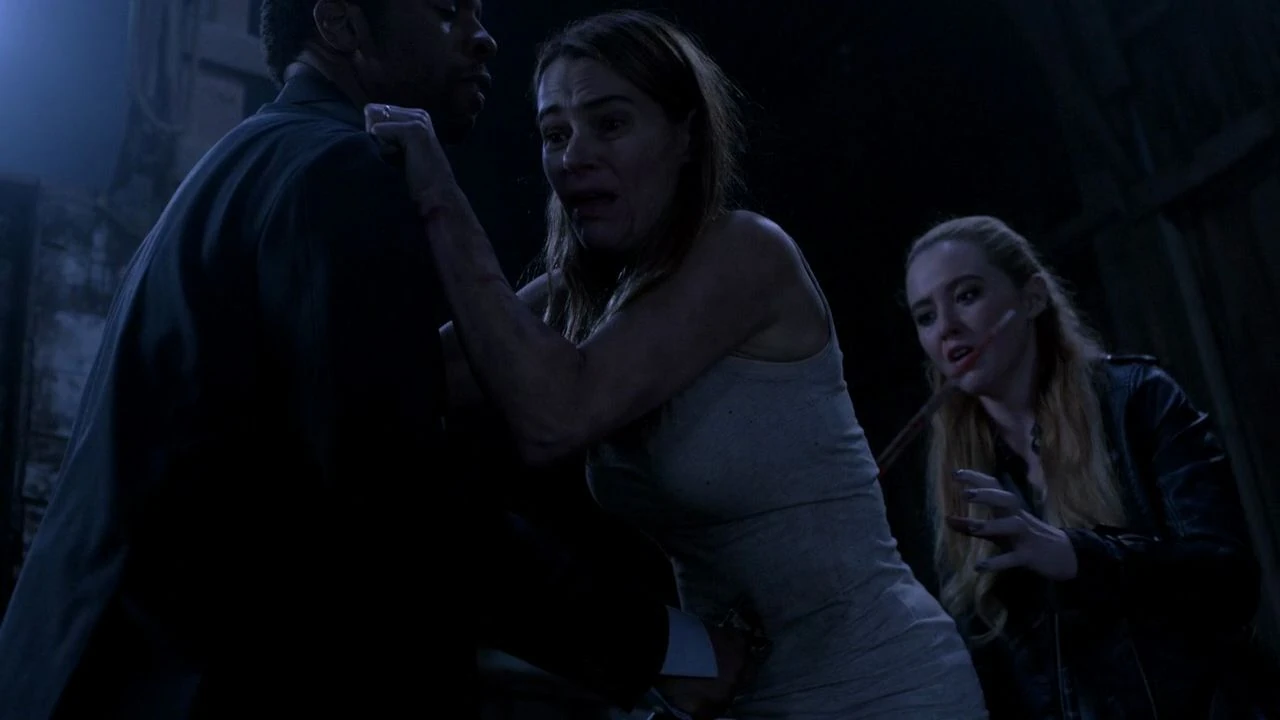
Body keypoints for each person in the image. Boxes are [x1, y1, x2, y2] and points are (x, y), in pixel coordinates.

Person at [0, 2, 747, 718]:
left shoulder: (252, 159)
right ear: (340, 22)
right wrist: (663, 648)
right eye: (446, 10)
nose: (483, 37)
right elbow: (397, 495)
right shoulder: (339, 169)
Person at [370, 9, 990, 718]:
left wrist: (437, 192)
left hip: (889, 688)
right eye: (555, 134)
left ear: (685, 135)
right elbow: (399, 381)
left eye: (610, 124)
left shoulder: (746, 253)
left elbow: (554, 415)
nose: (574, 157)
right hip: (739, 701)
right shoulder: (577, 298)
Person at [903, 215, 1269, 718]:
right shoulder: (956, 472)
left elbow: (1229, 581)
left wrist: (1078, 556)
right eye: (925, 316)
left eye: (967, 295)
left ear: (1032, 298)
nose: (947, 327)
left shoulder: (1135, 399)